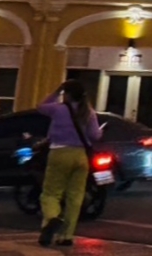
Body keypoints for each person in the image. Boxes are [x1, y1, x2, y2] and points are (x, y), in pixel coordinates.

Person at [37, 80, 102, 247]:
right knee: (75, 196)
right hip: (80, 157)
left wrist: (57, 90)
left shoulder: (58, 109)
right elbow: (95, 136)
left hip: (59, 153)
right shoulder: (89, 112)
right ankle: (66, 236)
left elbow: (41, 106)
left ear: (66, 94)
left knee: (51, 193)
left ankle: (52, 219)